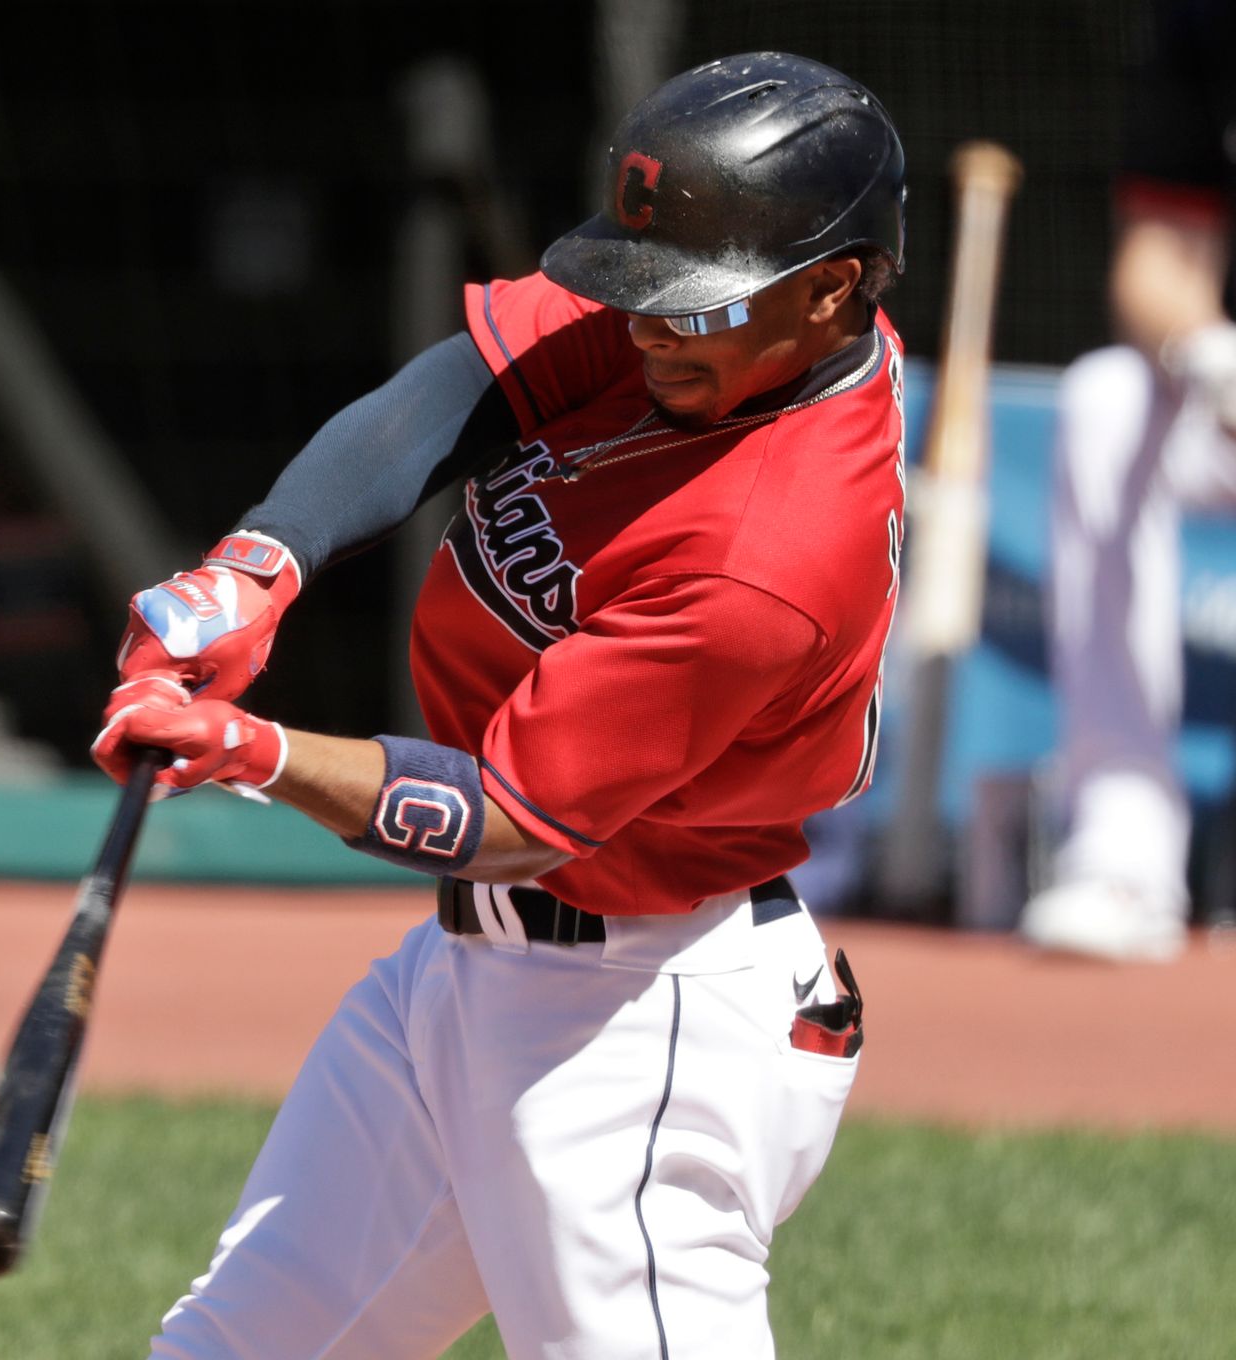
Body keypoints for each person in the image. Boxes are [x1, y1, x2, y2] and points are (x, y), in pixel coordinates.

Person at [94, 52, 904, 1359]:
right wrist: (259, 566)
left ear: (834, 289)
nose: (648, 327)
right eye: (641, 290)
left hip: (645, 1025)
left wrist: (246, 750)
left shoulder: (775, 549)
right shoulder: (726, 322)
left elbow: (512, 816)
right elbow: (451, 392)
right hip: (471, 973)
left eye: (691, 307)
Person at [1018, 0, 1236, 963]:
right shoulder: (1204, 29)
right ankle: (1123, 850)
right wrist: (1210, 357)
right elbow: (1157, 259)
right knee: (1109, 396)